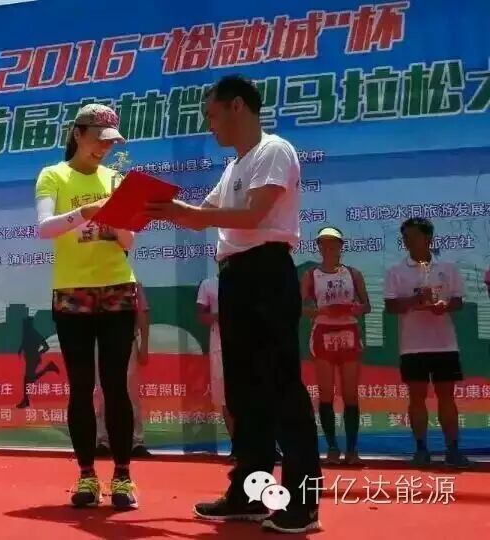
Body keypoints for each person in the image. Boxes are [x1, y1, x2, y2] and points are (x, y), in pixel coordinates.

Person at [145, 75, 321, 533]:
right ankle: (250, 492)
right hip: (235, 278)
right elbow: (201, 213)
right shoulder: (233, 167)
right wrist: (149, 204)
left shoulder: (273, 151)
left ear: (237, 106)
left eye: (212, 114)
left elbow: (254, 214)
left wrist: (187, 213)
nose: (211, 125)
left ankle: (304, 501)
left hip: (267, 272)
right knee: (244, 392)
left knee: (280, 385)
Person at [35, 103, 139, 510]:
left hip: (117, 287)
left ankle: (123, 476)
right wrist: (85, 213)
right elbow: (44, 228)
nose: (104, 149)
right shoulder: (53, 175)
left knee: (115, 385)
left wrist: (117, 222)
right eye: (99, 140)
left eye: (110, 143)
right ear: (78, 134)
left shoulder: (116, 179)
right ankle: (86, 475)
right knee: (80, 386)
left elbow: (128, 242)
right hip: (72, 291)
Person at [384, 217, 470, 468]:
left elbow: (458, 301)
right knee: (417, 398)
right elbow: (390, 306)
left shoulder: (448, 267)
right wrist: (415, 301)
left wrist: (444, 305)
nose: (408, 241)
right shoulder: (396, 271)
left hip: (444, 344)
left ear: (428, 238)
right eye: (405, 237)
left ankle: (453, 450)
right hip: (413, 346)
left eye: (413, 236)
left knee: (447, 397)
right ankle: (421, 449)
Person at [301, 227, 370, 465]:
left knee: (350, 394)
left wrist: (355, 309)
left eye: (333, 243)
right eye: (324, 243)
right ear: (318, 247)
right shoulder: (311, 275)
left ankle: (352, 450)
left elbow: (366, 305)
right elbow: (303, 307)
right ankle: (332, 447)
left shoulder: (353, 273)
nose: (329, 248)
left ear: (341, 246)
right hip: (323, 332)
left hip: (349, 331)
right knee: (326, 393)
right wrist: (322, 311)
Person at [95, 281, 150, 458]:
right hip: (100, 343)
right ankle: (104, 441)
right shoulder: (94, 284)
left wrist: (144, 346)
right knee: (101, 392)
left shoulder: (132, 284)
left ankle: (136, 441)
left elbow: (142, 313)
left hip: (127, 341)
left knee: (130, 392)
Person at [195, 275, 234, 457]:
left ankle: (259, 446)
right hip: (220, 346)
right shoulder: (208, 284)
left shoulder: (248, 281)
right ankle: (237, 445)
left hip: (248, 346)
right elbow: (201, 315)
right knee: (227, 398)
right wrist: (219, 316)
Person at [16, 316, 57, 409]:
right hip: (30, 359)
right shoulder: (27, 334)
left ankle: (25, 401)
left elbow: (46, 347)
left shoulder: (34, 334)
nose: (23, 326)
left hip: (33, 359)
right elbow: (24, 343)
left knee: (28, 379)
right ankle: (49, 368)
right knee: (29, 379)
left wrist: (38, 353)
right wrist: (20, 349)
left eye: (24, 324)